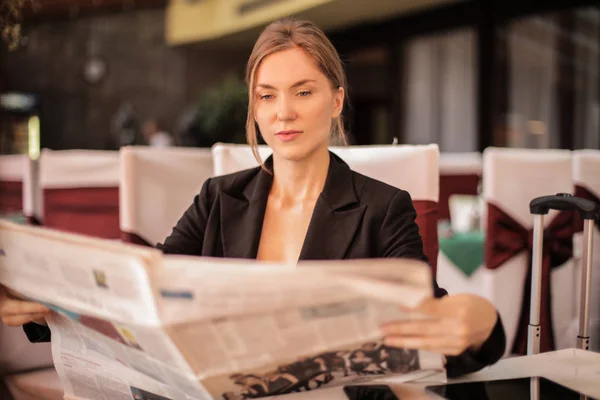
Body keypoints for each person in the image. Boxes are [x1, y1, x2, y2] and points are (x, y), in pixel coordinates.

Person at [0, 18, 505, 380]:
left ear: (335, 100)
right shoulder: (219, 198)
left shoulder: (384, 206)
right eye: (267, 95)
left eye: (303, 92)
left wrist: (485, 323)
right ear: (255, 107)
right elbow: (145, 285)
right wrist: (48, 304)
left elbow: (433, 325)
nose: (283, 112)